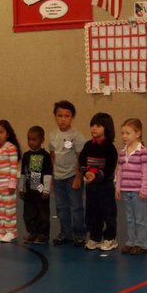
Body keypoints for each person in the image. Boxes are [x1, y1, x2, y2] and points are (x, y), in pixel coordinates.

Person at [49, 101, 87, 246]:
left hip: (72, 176)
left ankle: (79, 234)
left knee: (76, 206)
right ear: (55, 117)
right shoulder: (53, 135)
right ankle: (65, 232)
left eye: (66, 116)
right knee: (61, 207)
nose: (63, 119)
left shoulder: (77, 136)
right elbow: (52, 156)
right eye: (59, 115)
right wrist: (52, 177)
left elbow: (80, 158)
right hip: (58, 177)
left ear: (72, 117)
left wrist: (78, 177)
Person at [80, 112, 119, 251]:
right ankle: (95, 237)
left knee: (108, 212)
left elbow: (109, 168)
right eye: (92, 125)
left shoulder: (109, 147)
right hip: (91, 187)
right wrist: (86, 173)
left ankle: (110, 238)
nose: (94, 128)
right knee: (93, 212)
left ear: (106, 128)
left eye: (98, 126)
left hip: (105, 187)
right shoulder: (88, 145)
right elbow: (82, 161)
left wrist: (96, 176)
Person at [116, 118, 147, 255]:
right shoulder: (122, 151)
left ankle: (141, 244)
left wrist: (144, 188)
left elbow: (145, 171)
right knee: (129, 218)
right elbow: (120, 170)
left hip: (137, 191)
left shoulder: (142, 151)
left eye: (127, 133)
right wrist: (118, 187)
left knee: (140, 218)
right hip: (125, 189)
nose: (124, 136)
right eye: (123, 133)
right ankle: (131, 242)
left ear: (138, 134)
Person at [0, 120, 21, 242]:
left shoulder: (11, 148)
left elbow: (13, 166)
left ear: (8, 134)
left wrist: (12, 183)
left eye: (1, 132)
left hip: (7, 185)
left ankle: (11, 230)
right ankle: (2, 229)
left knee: (9, 209)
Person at [19, 126, 53, 244]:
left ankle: (43, 234)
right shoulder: (26, 155)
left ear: (42, 140)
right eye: (29, 139)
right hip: (29, 190)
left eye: (34, 140)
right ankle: (32, 232)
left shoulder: (45, 156)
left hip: (40, 188)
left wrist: (46, 190)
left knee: (42, 213)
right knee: (29, 213)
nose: (31, 142)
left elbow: (48, 173)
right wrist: (21, 187)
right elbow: (23, 172)